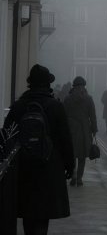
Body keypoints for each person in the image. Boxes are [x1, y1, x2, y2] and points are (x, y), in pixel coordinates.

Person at [3, 64, 75, 235]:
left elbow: (7, 136)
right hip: (48, 167)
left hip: (23, 169)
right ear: (47, 84)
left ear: (30, 84)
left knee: (28, 215)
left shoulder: (18, 106)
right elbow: (65, 138)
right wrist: (69, 165)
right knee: (42, 217)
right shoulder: (55, 106)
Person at [63, 76, 98, 187]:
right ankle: (79, 178)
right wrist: (94, 129)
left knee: (72, 154)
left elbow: (63, 114)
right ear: (84, 86)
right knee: (82, 156)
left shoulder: (68, 98)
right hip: (84, 129)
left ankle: (73, 175)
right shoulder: (88, 98)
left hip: (71, 129)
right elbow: (93, 116)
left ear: (74, 86)